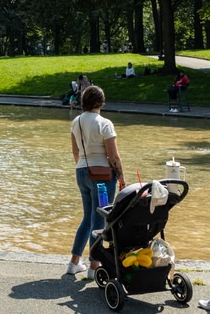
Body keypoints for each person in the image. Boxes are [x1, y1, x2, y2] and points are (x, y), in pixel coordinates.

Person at [68, 85, 124, 279]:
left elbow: (75, 152)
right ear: (100, 102)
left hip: (81, 171)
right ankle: (94, 266)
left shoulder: (76, 122)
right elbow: (114, 156)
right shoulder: (104, 123)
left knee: (87, 218)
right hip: (102, 176)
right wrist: (122, 177)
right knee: (99, 219)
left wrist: (84, 167)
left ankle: (74, 262)